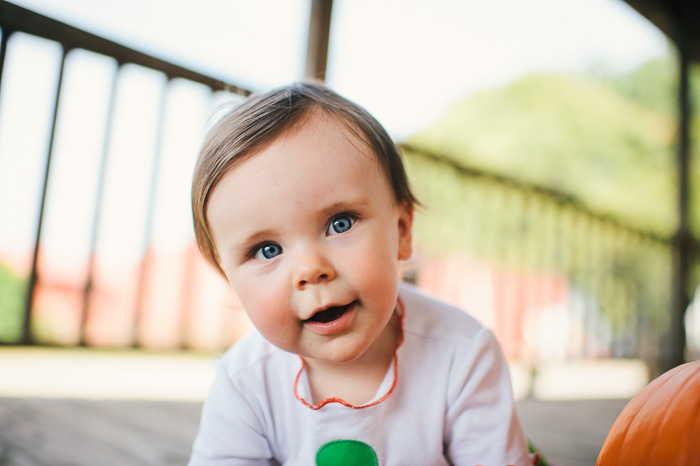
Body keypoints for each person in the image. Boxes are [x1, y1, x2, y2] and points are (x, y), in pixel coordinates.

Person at [188, 81, 532, 466]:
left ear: (401, 231)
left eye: (340, 223)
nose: (310, 269)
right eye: (268, 250)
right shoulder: (245, 383)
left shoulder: (461, 354)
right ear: (228, 279)